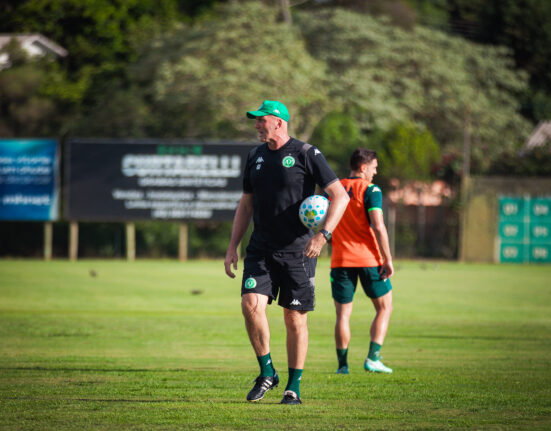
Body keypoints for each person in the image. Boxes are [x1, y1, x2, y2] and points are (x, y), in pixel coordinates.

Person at [224, 100, 349, 405]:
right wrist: (232, 246)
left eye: (261, 120)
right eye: (255, 120)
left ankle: (293, 388)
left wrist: (323, 235)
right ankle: (267, 372)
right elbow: (246, 204)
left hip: (299, 251)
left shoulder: (306, 153)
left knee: (294, 318)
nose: (256, 125)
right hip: (260, 249)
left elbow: (340, 196)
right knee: (250, 304)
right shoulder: (255, 156)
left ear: (278, 122)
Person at [329, 148, 394, 375]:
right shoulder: (371, 190)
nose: (375, 173)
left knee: (343, 315)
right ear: (363, 167)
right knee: (385, 307)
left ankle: (342, 366)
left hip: (340, 260)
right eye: (374, 168)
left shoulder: (334, 189)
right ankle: (373, 358)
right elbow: (378, 226)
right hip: (369, 259)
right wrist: (388, 259)